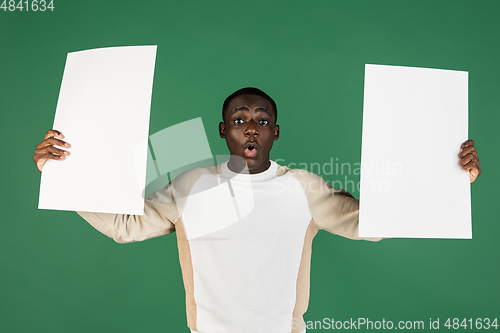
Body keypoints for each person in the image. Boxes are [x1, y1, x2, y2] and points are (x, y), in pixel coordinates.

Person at [33, 87, 482, 333]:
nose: (252, 127)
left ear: (276, 132)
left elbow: (375, 224)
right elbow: (125, 227)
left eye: (263, 119)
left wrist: (450, 178)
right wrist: (60, 175)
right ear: (224, 130)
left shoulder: (305, 188)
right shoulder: (191, 183)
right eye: (241, 118)